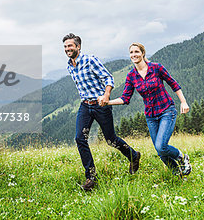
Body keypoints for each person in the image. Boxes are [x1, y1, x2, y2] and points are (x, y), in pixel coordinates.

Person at [63, 33, 141, 191]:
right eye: (65, 47)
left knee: (111, 140)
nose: (67, 49)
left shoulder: (90, 60)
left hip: (100, 105)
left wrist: (106, 95)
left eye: (70, 46)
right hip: (85, 105)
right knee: (80, 139)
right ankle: (91, 177)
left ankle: (133, 155)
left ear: (78, 46)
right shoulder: (69, 65)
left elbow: (108, 78)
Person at [103, 42, 192, 177]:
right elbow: (125, 98)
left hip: (166, 110)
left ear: (143, 53)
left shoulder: (156, 68)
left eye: (136, 52)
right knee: (159, 150)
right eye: (131, 53)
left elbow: (173, 84)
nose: (134, 55)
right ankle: (177, 175)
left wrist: (183, 102)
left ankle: (181, 157)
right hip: (151, 116)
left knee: (162, 146)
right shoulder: (131, 76)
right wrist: (107, 102)